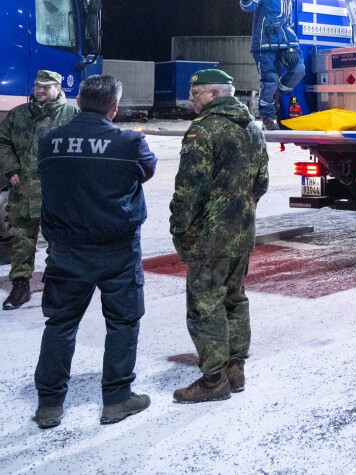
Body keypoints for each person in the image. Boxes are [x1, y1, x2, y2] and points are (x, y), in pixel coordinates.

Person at [32, 75, 157, 428]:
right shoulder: (129, 142)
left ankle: (49, 405)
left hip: (66, 250)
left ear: (78, 102)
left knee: (60, 324)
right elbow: (146, 170)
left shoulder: (49, 140)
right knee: (122, 324)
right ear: (113, 107)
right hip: (118, 251)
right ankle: (116, 400)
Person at [169, 69, 269, 403]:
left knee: (205, 306)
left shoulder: (203, 130)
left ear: (214, 94)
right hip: (241, 232)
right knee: (234, 298)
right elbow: (261, 182)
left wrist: (179, 228)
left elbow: (189, 190)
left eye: (196, 93)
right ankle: (235, 370)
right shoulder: (252, 128)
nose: (191, 99)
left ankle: (214, 379)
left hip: (209, 237)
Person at [1, 70, 78, 311]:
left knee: (59, 239)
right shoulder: (18, 115)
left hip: (58, 192)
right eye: (37, 85)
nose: (41, 90)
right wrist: (10, 168)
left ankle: (56, 282)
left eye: (46, 86)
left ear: (58, 88)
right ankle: (20, 285)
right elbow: (3, 141)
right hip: (24, 190)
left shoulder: (72, 115)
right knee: (22, 240)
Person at [239, 0, 304, 131]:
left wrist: (292, 42)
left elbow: (289, 21)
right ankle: (268, 117)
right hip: (264, 44)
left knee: (299, 69)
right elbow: (249, 5)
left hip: (284, 42)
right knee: (270, 80)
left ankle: (279, 91)